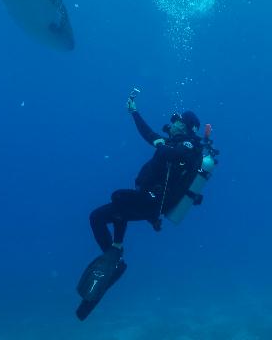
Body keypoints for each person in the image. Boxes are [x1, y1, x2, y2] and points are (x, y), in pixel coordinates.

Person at [88, 93, 206, 257]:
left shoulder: (189, 146)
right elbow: (148, 134)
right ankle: (116, 249)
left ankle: (114, 253)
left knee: (112, 203)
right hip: (148, 199)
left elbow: (171, 154)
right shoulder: (173, 144)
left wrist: (161, 145)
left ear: (184, 126)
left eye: (176, 121)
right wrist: (134, 112)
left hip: (153, 202)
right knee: (111, 211)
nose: (172, 123)